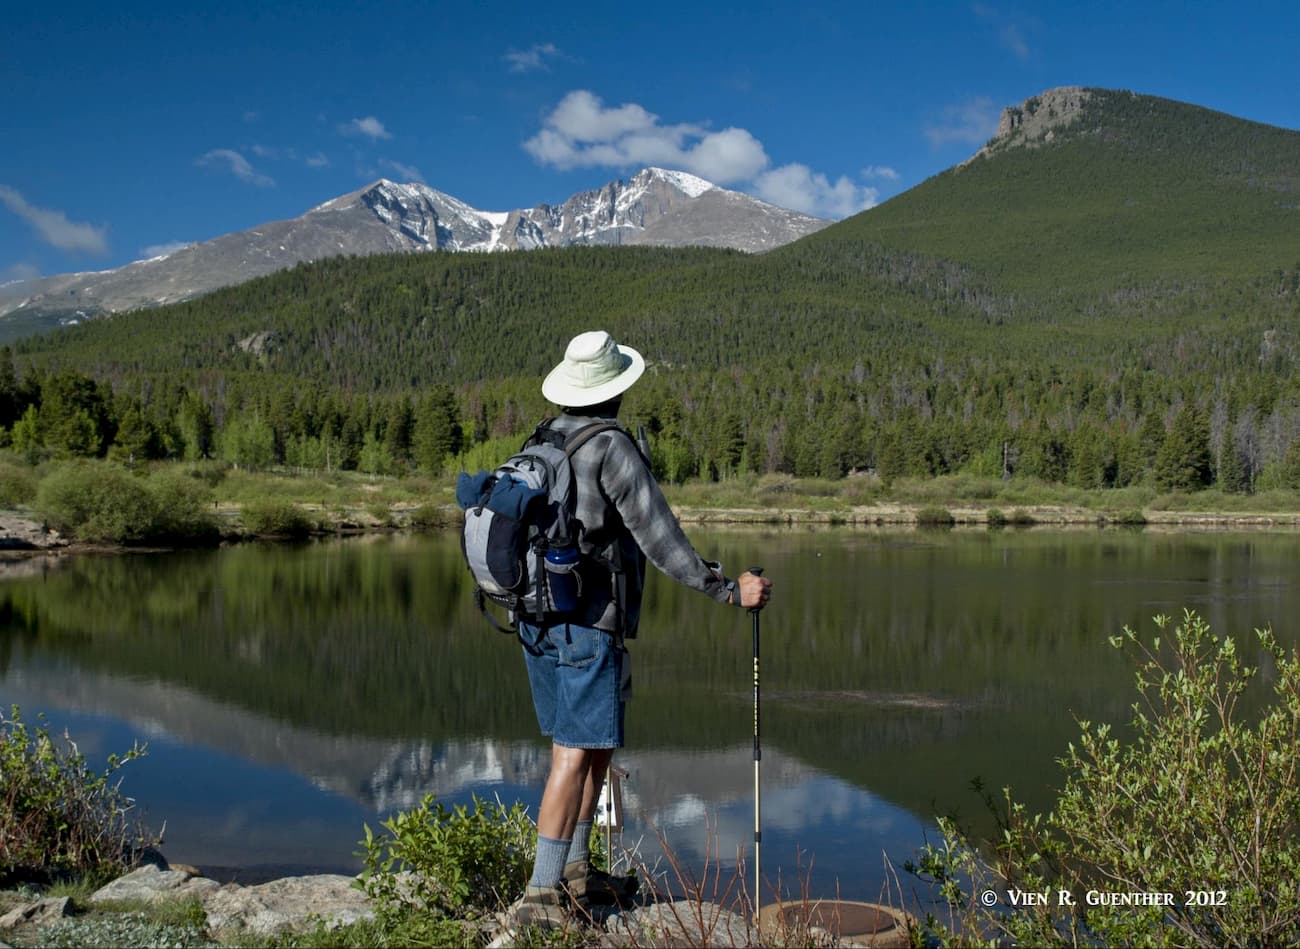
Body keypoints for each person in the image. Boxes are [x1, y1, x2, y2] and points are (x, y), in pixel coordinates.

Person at [515, 329, 773, 928]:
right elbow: (660, 537)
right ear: (615, 389)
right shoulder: (610, 446)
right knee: (572, 754)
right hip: (587, 625)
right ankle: (540, 897)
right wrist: (727, 589)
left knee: (593, 746)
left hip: (538, 620)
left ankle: (576, 872)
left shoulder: (545, 437)